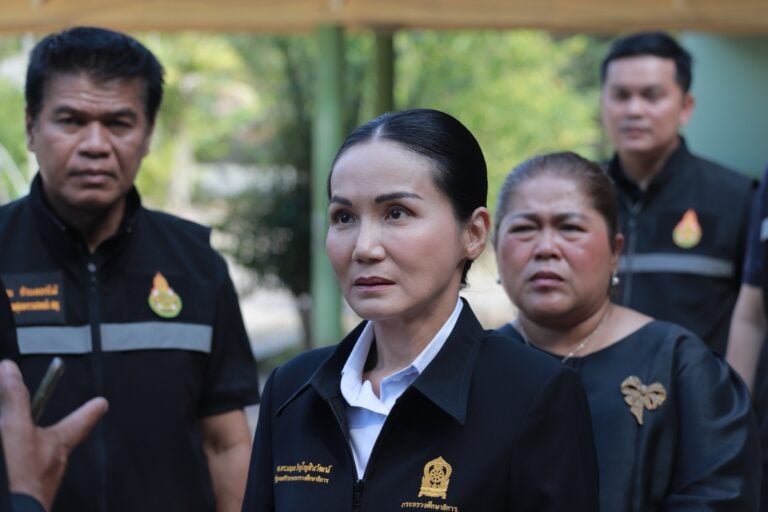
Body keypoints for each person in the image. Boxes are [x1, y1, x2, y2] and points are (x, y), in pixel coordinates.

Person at [241, 109, 599, 511]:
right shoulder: (292, 390)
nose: (364, 248)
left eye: (397, 213)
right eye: (344, 217)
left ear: (473, 233)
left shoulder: (533, 395)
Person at [0, 27, 260, 511]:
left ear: (147, 134)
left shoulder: (197, 265)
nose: (95, 145)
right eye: (70, 121)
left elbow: (226, 444)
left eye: (119, 123)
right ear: (31, 128)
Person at [494, 151, 760, 511]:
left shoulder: (681, 367)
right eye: (524, 229)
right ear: (494, 246)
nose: (546, 248)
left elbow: (721, 497)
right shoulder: (474, 369)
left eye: (570, 228)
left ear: (615, 251)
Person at [601, 31, 755, 354]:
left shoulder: (737, 197)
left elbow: (755, 317)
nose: (634, 110)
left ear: (686, 106)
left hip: (697, 384)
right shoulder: (582, 194)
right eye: (620, 95)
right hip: (589, 384)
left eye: (652, 96)